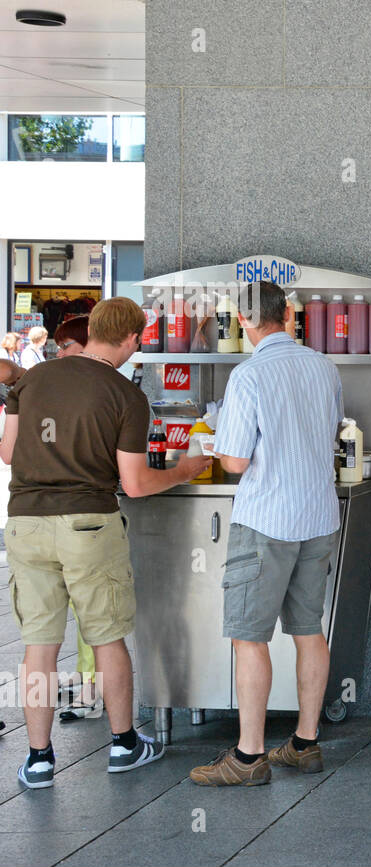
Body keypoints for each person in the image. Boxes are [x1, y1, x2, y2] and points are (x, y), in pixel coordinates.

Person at [2, 297, 209, 790]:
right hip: (89, 525)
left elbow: (9, 452)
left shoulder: (33, 379)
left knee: (39, 646)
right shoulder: (125, 395)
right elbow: (135, 484)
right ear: (134, 339)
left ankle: (38, 759)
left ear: (91, 329)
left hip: (26, 522)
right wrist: (183, 469)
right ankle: (123, 745)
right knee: (106, 635)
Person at [189, 281, 344, 787]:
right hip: (318, 517)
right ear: (288, 314)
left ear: (246, 320)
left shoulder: (249, 374)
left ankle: (249, 757)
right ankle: (304, 742)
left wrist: (211, 448)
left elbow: (235, 460)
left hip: (267, 520)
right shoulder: (324, 367)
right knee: (308, 630)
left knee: (248, 638)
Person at [45, 313, 100, 720]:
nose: (58, 352)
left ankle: (92, 689)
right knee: (75, 606)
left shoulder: (99, 387)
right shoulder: (60, 385)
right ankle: (85, 679)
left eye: (65, 345)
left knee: (92, 610)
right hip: (61, 511)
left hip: (85, 512)